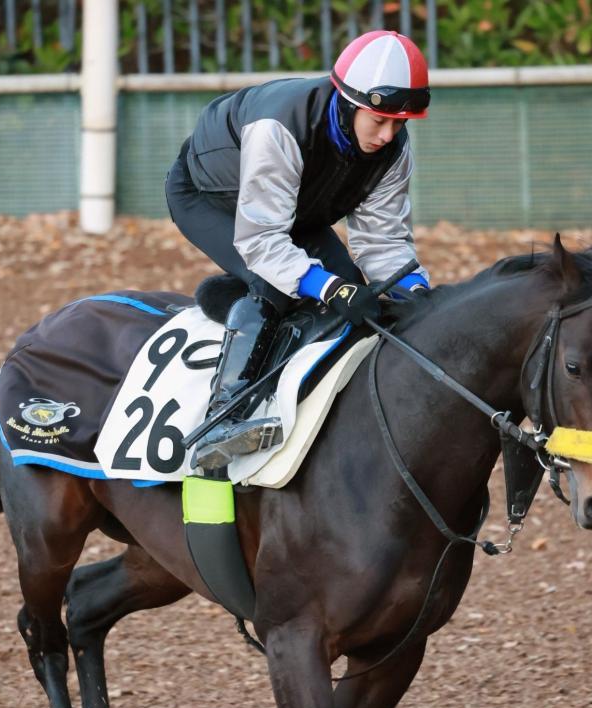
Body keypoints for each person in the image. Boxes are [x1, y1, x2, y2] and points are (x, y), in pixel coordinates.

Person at [165, 30, 431, 470]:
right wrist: (327, 288)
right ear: (346, 104)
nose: (388, 135)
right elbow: (262, 240)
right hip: (212, 200)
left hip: (294, 210)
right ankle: (224, 417)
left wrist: (420, 296)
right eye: (378, 120)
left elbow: (382, 242)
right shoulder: (279, 126)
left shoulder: (393, 151)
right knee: (280, 285)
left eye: (399, 123)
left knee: (355, 298)